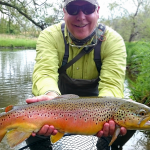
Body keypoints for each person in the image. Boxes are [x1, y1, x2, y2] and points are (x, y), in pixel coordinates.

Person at [25, 0, 135, 150]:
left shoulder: (113, 41)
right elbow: (45, 73)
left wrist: (108, 113)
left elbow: (112, 85)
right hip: (58, 102)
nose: (81, 16)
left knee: (126, 121)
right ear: (64, 11)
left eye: (88, 9)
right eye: (73, 9)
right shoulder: (49, 36)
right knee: (33, 124)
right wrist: (50, 97)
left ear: (97, 11)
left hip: (99, 106)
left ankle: (105, 145)